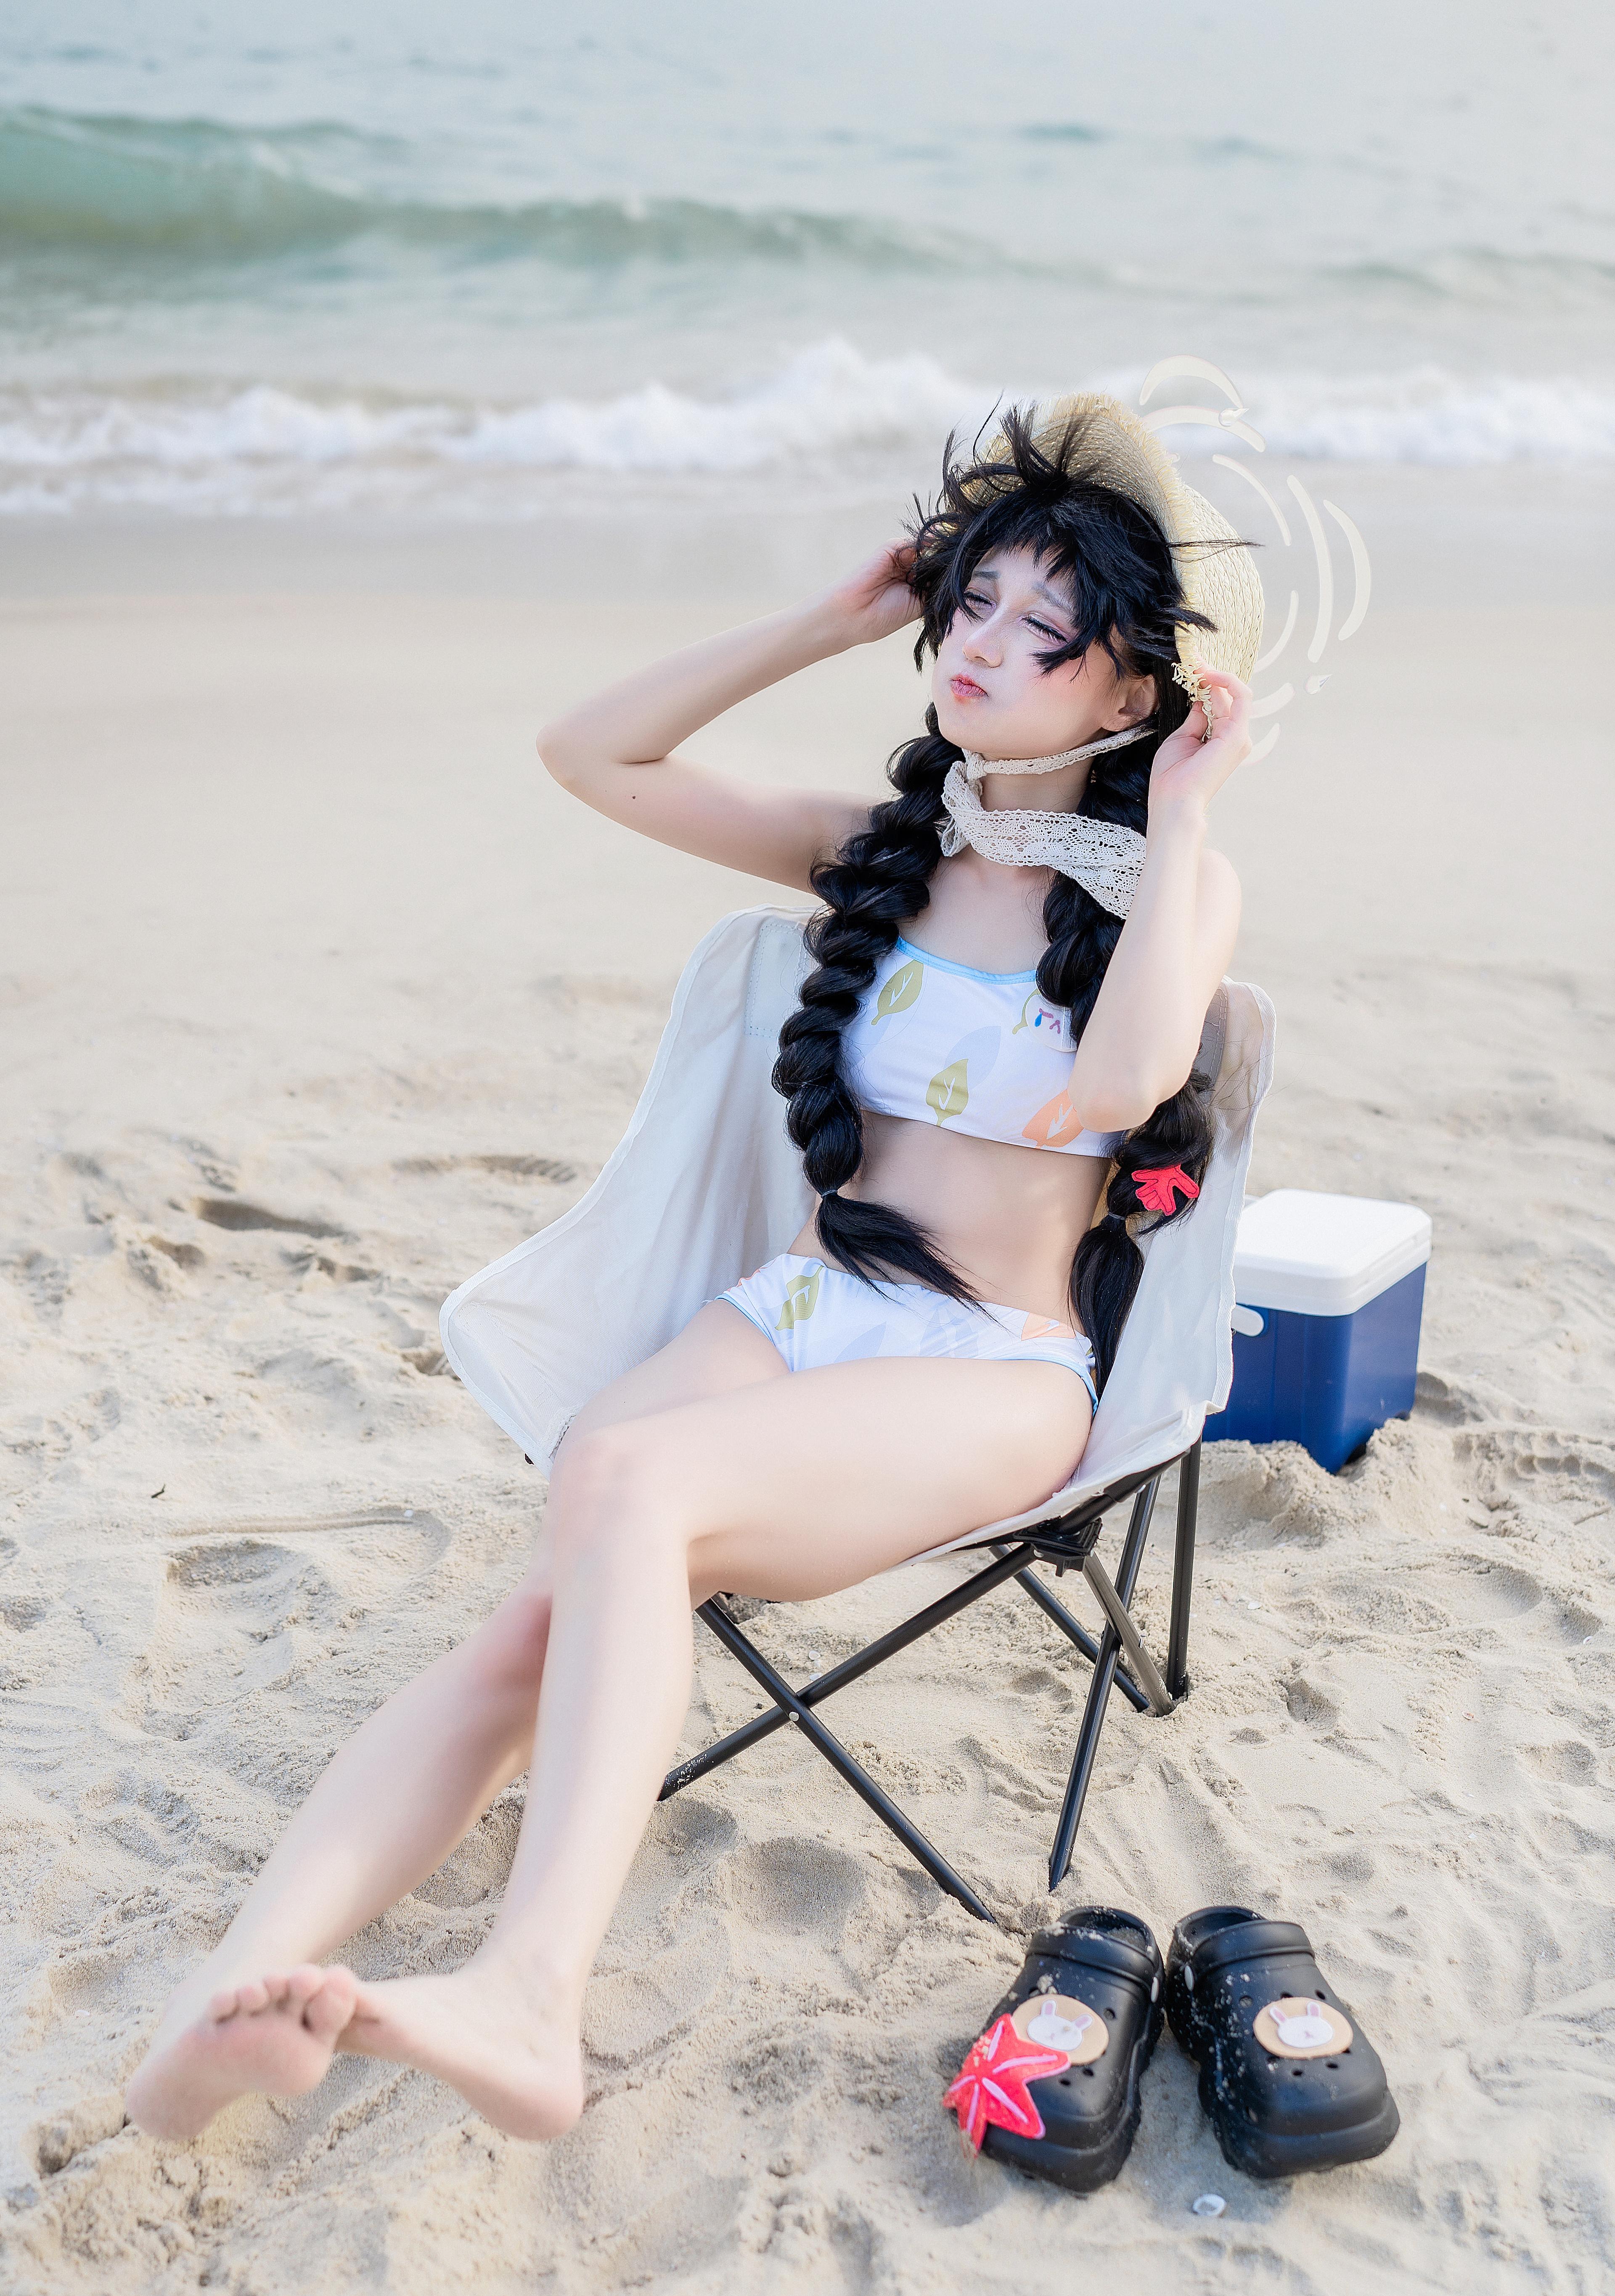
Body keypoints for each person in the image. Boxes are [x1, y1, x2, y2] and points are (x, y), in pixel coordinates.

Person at [126, 395, 1260, 2145]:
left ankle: (532, 1998)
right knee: (542, 1598)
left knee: (629, 1481)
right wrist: (824, 621)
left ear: (1129, 696)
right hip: (801, 1316)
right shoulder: (886, 852)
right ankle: (237, 1994)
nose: (980, 643)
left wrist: (1178, 818)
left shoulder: (1166, 891)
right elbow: (593, 756)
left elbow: (1119, 1088)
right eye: (972, 601)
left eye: (1044, 629)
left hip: (990, 1373)